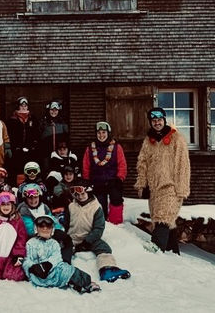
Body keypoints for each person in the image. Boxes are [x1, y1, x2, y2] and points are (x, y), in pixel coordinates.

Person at [135, 107, 191, 254]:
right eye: (154, 120)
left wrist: (182, 188)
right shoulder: (148, 141)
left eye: (159, 120)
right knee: (164, 221)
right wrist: (142, 184)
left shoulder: (176, 139)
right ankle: (173, 253)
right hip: (155, 189)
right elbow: (142, 163)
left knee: (163, 216)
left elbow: (183, 164)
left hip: (171, 187)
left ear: (164, 120)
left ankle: (156, 248)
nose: (157, 123)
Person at [63, 179, 131, 282]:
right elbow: (66, 224)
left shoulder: (96, 207)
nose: (80, 197)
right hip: (73, 237)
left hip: (89, 238)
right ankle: (64, 269)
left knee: (104, 248)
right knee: (64, 249)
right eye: (77, 195)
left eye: (83, 194)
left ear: (89, 192)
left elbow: (98, 228)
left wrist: (87, 241)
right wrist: (66, 237)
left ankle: (107, 269)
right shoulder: (71, 206)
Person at [23, 215, 101, 293]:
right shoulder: (30, 243)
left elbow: (57, 257)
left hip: (53, 272)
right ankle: (73, 282)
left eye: (48, 226)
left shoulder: (54, 243)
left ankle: (86, 283)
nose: (45, 228)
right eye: (41, 226)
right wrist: (33, 267)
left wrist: (49, 264)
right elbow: (27, 259)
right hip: (38, 276)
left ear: (52, 229)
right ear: (36, 228)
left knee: (67, 269)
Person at [81, 121, 127, 225]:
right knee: (99, 202)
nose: (101, 135)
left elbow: (122, 164)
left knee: (116, 198)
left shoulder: (116, 147)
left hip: (113, 180)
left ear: (108, 133)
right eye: (99, 133)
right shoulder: (90, 148)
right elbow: (86, 165)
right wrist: (86, 180)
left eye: (103, 132)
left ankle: (115, 224)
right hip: (97, 180)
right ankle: (101, 223)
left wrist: (120, 178)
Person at [17, 183, 74, 264]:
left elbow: (52, 220)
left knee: (66, 239)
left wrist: (59, 229)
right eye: (30, 198)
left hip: (47, 233)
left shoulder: (44, 207)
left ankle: (65, 261)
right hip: (34, 238)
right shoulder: (24, 210)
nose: (33, 200)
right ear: (25, 198)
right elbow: (30, 229)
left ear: (39, 196)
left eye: (35, 197)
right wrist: (49, 233)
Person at [6, 96, 38, 176]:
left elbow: (36, 133)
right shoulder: (12, 119)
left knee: (29, 168)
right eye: (21, 105)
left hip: (30, 149)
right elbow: (10, 134)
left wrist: (33, 146)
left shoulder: (32, 118)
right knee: (18, 168)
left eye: (25, 105)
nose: (23, 107)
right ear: (18, 106)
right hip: (17, 149)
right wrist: (15, 147)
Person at [38, 100, 69, 165]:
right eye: (52, 110)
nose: (54, 112)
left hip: (59, 153)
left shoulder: (62, 122)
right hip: (46, 154)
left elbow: (66, 138)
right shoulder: (43, 122)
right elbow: (39, 137)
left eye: (56, 110)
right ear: (48, 110)